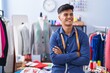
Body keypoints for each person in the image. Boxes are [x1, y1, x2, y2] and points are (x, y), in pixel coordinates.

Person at [49, 4, 90, 73]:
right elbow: (54, 59)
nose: (69, 17)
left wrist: (62, 56)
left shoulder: (83, 36)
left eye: (71, 14)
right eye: (65, 14)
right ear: (59, 17)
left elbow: (85, 60)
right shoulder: (54, 36)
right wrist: (76, 54)